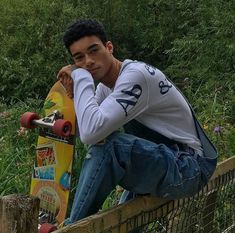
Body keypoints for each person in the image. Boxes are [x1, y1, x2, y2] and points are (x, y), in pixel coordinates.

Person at [57, 19, 217, 225]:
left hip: (191, 167)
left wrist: (81, 78)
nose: (88, 61)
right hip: (164, 158)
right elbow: (90, 135)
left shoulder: (134, 77)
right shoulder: (107, 87)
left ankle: (72, 229)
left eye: (94, 50)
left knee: (112, 148)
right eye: (79, 58)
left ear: (109, 47)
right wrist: (75, 94)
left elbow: (92, 134)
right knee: (125, 223)